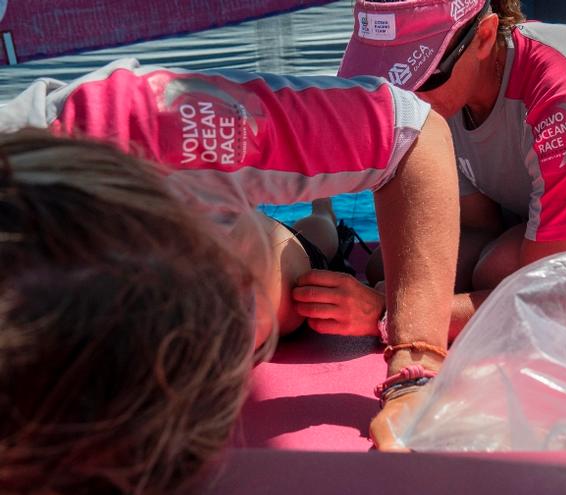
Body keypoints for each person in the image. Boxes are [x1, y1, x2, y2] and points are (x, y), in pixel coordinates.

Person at [0, 57, 459, 492]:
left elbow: (414, 132)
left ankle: (323, 209)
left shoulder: (162, 121)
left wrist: (415, 369)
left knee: (309, 246)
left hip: (267, 255)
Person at [296, 0, 566, 343]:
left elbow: (552, 296)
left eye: (421, 72)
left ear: (484, 36)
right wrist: (405, 287)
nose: (404, 94)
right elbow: (474, 227)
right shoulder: (453, 88)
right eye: (388, 76)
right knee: (390, 268)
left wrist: (392, 313)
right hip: (543, 230)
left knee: (492, 267)